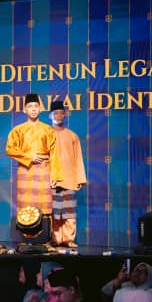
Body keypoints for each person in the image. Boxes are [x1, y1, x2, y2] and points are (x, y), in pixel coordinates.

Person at [5, 92, 62, 223]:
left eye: (36, 106)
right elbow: (10, 149)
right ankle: (27, 234)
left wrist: (55, 176)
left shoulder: (48, 129)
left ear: (40, 109)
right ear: (24, 110)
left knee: (45, 207)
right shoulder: (17, 130)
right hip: (26, 171)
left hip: (44, 170)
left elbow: (54, 153)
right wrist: (29, 156)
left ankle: (45, 234)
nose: (33, 109)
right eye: (30, 106)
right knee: (26, 206)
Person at [49, 99, 86, 247]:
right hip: (52, 179)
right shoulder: (46, 133)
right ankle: (56, 239)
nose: (59, 116)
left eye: (61, 113)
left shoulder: (72, 135)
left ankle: (69, 239)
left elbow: (78, 158)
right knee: (55, 211)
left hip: (69, 179)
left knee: (69, 212)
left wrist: (80, 178)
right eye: (56, 113)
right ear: (51, 115)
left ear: (65, 115)